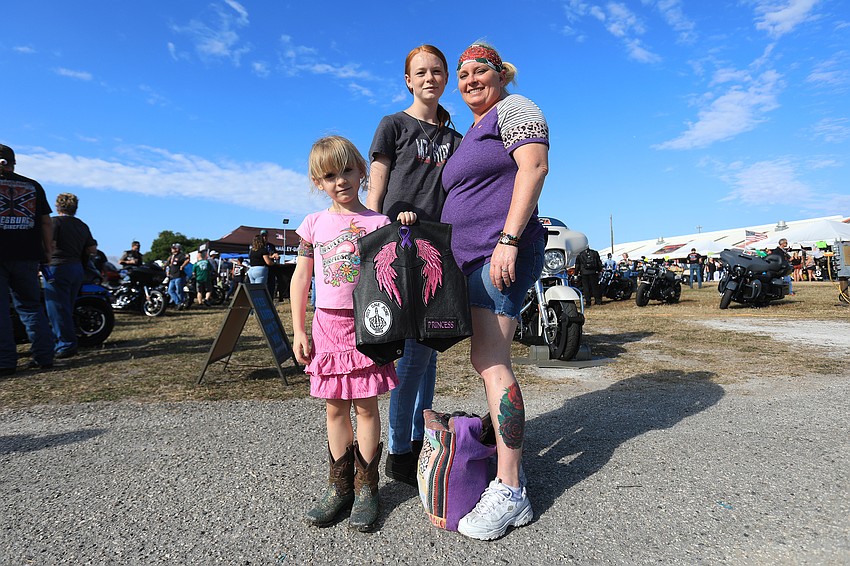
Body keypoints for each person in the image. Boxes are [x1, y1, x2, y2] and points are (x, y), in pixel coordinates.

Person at [440, 42, 547, 540]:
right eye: (461, 75)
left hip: (496, 254)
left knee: (492, 363)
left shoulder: (516, 109)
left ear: (501, 74)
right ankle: (512, 472)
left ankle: (510, 490)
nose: (467, 80)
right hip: (470, 260)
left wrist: (508, 240)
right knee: (486, 360)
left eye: (477, 71)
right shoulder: (472, 132)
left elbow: (534, 168)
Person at [290, 136, 412, 531]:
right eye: (329, 175)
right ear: (317, 181)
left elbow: (397, 273)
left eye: (346, 170)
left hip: (368, 324)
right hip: (326, 325)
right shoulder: (313, 224)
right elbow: (301, 278)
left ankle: (366, 488)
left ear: (362, 170)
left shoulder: (380, 224)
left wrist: (405, 228)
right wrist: (297, 329)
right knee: (333, 408)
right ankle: (339, 487)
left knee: (366, 406)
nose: (340, 180)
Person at [366, 44, 463, 486]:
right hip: (398, 246)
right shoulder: (394, 125)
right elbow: (377, 186)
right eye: (420, 72)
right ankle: (398, 448)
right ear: (408, 80)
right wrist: (367, 235)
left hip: (438, 249)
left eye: (437, 71)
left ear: (446, 78)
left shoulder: (455, 138)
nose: (430, 78)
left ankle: (421, 434)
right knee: (409, 357)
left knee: (431, 350)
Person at [0, 143, 55, 376]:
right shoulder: (33, 186)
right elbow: (45, 223)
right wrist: (49, 253)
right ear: (13, 163)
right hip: (27, 256)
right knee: (31, 306)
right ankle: (43, 356)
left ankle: (5, 362)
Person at [44, 193, 98, 359]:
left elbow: (50, 245)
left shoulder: (55, 222)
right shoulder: (82, 225)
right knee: (67, 306)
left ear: (57, 206)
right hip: (76, 268)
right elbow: (92, 249)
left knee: (56, 308)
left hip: (58, 267)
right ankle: (66, 341)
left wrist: (43, 262)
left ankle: (65, 345)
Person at [166, 243, 189, 309]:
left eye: (173, 248)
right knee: (170, 290)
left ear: (177, 249)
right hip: (172, 276)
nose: (172, 249)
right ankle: (178, 302)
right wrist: (168, 271)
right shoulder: (172, 256)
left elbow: (187, 260)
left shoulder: (181, 255)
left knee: (179, 290)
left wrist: (182, 266)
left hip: (179, 276)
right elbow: (169, 265)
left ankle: (181, 303)